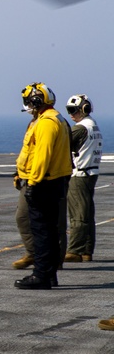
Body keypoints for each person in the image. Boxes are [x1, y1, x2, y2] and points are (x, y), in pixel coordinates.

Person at [13, 83, 72, 290]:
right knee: (48, 230)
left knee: (42, 231)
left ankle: (41, 276)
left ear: (37, 100)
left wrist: (33, 182)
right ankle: (48, 273)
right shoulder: (56, 119)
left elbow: (42, 155)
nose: (27, 105)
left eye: (29, 101)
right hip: (52, 182)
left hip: (44, 183)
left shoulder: (46, 123)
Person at [64, 94, 102, 263]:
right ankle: (87, 250)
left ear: (83, 109)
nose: (71, 114)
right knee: (87, 212)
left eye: (73, 110)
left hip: (79, 174)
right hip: (91, 173)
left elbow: (62, 144)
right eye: (69, 110)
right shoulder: (93, 126)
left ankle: (74, 251)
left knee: (78, 213)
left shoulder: (80, 128)